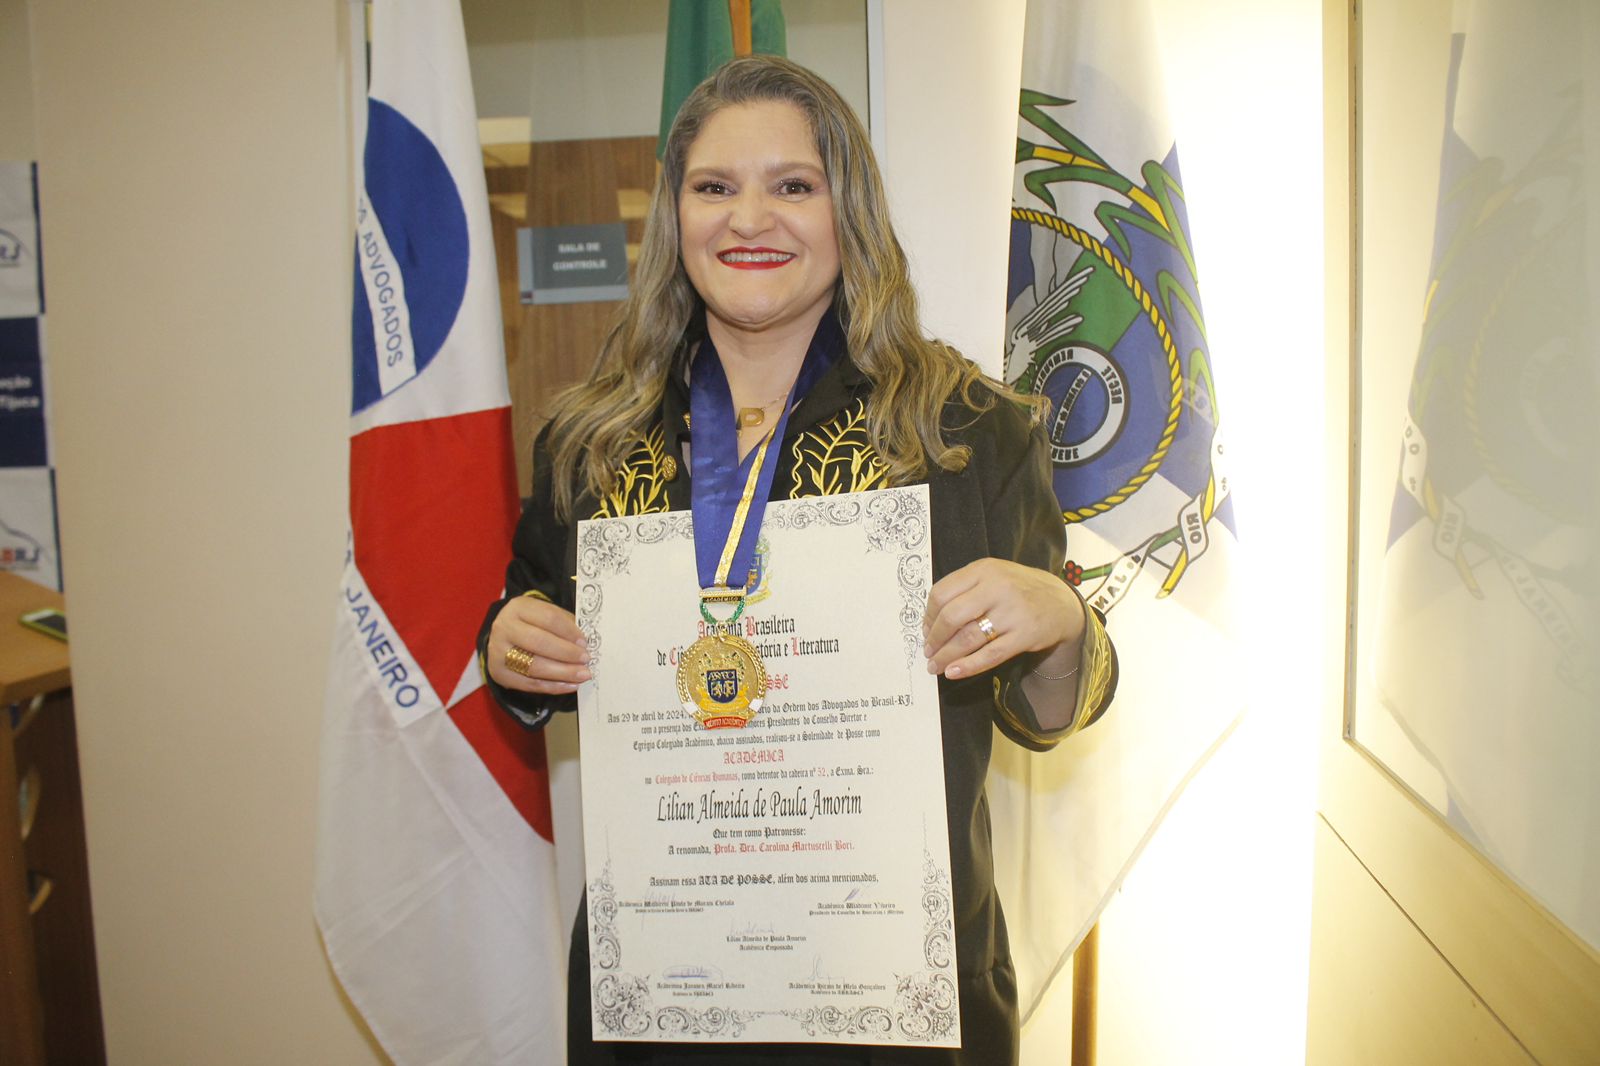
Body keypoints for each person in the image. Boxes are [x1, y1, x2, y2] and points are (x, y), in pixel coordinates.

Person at [478, 55, 1117, 1066]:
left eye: (792, 185)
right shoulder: (589, 440)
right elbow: (528, 630)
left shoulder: (968, 431)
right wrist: (509, 647)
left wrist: (1060, 621)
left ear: (847, 208)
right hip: (663, 1001)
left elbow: (1043, 712)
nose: (748, 219)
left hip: (896, 1009)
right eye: (713, 187)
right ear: (674, 216)